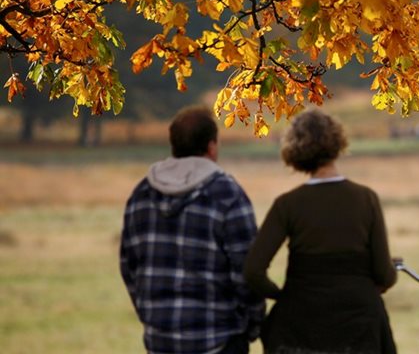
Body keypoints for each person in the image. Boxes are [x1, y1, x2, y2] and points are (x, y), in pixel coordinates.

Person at [243, 109, 397, 354]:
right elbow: (384, 274)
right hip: (360, 326)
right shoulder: (366, 199)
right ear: (338, 142)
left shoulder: (287, 204)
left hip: (300, 327)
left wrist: (283, 296)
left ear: (294, 150)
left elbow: (253, 270)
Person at [120, 105, 265, 354]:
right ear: (211, 146)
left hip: (160, 340)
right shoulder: (226, 193)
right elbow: (247, 269)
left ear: (173, 145)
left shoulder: (142, 193)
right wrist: (252, 324)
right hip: (219, 339)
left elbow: (129, 266)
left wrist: (151, 315)